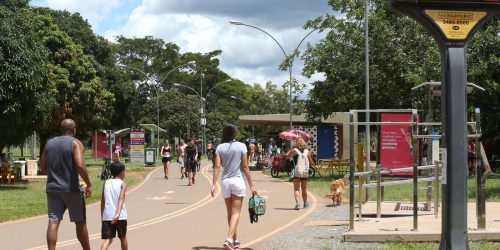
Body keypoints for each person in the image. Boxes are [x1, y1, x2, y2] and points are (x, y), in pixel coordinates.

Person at [40, 119, 92, 250]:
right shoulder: (75, 143)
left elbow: (42, 167)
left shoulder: (49, 144)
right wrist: (88, 184)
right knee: (80, 222)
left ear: (61, 130)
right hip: (71, 189)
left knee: (53, 221)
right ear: (74, 130)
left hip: (52, 188)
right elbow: (80, 165)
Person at [211, 124, 257, 249]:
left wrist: (213, 184)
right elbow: (245, 167)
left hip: (225, 182)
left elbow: (217, 167)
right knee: (236, 213)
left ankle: (235, 240)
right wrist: (252, 186)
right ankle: (229, 239)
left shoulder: (220, 147)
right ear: (235, 134)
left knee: (230, 213)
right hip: (238, 181)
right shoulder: (242, 146)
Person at [100, 161, 128, 250]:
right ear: (122, 172)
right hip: (120, 216)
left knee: (108, 239)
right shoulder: (123, 184)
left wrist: (102, 216)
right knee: (123, 238)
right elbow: (121, 198)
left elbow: (102, 202)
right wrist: (118, 213)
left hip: (107, 216)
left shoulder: (106, 183)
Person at [286, 138, 314, 210]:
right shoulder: (307, 151)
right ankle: (305, 203)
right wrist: (314, 166)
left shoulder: (294, 151)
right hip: (304, 172)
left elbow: (287, 157)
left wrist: (291, 149)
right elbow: (311, 162)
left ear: (296, 143)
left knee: (296, 189)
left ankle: (298, 204)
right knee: (304, 189)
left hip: (297, 171)